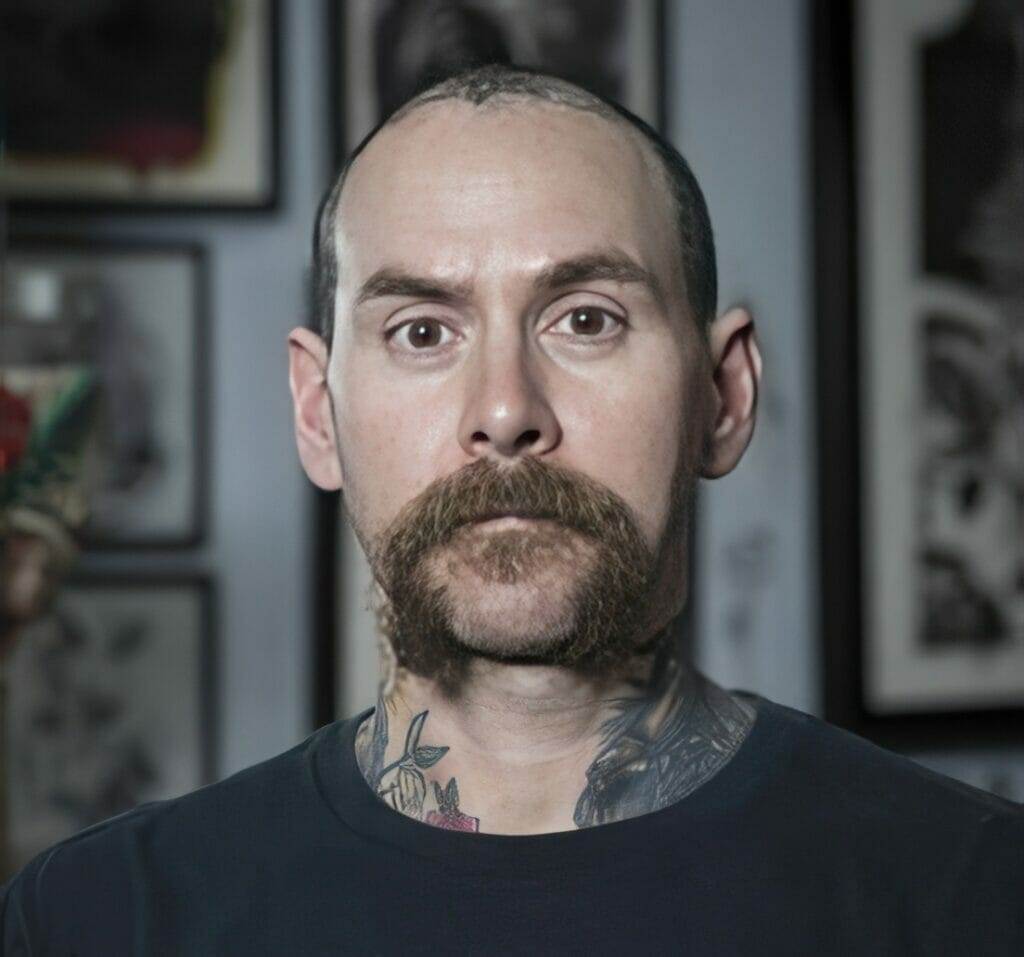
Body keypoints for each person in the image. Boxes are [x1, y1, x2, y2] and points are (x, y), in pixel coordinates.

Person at [2, 63, 1021, 955]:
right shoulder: (97, 923)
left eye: (585, 320)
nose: (503, 410)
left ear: (724, 396)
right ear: (318, 413)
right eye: (420, 332)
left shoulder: (978, 898)